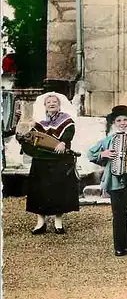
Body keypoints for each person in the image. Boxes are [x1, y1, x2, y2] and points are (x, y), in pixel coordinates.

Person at [16, 92, 79, 234]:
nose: (52, 104)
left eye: (54, 102)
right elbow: (29, 139)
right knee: (39, 190)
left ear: (59, 105)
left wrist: (63, 142)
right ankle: (40, 223)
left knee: (58, 190)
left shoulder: (67, 121)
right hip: (40, 160)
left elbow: (69, 134)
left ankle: (58, 222)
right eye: (49, 102)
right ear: (45, 106)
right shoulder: (39, 124)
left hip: (58, 159)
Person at [88, 105, 127, 256]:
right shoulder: (108, 140)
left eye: (126, 120)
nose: (122, 123)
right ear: (114, 123)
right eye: (119, 120)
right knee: (118, 215)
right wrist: (103, 154)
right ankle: (120, 247)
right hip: (115, 182)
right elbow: (90, 154)